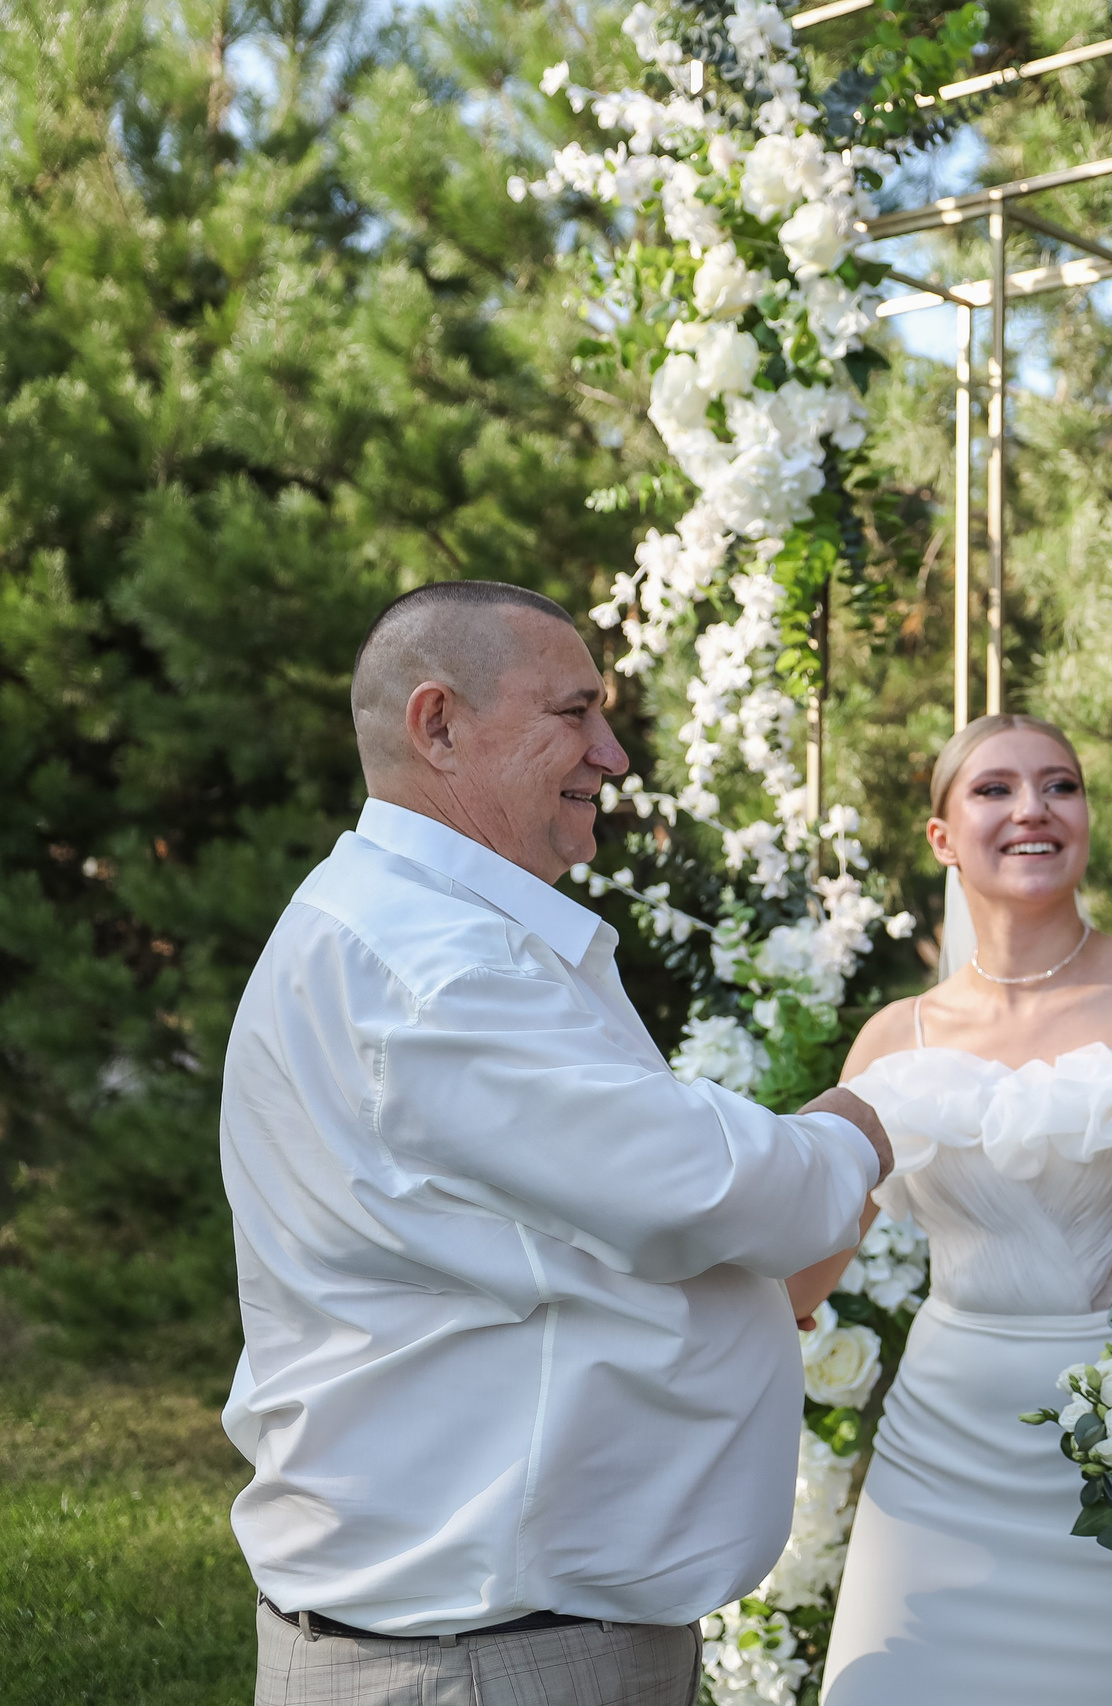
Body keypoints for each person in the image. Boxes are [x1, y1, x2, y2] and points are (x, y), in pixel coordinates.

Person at [221, 581, 892, 1706]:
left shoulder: (393, 923)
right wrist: (854, 1130)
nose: (613, 753)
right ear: (438, 724)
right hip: (488, 1652)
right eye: (573, 712)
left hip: (483, 1626)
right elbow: (696, 1187)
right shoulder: (437, 967)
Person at [804, 713, 1112, 1705]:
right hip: (936, 1465)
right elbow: (803, 1268)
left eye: (1059, 785)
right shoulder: (892, 1039)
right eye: (994, 788)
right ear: (940, 836)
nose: (1032, 809)